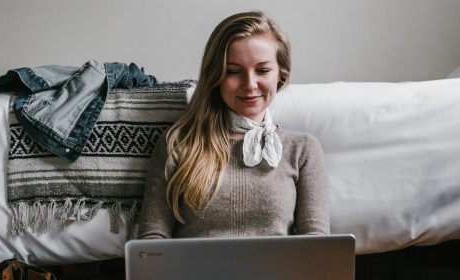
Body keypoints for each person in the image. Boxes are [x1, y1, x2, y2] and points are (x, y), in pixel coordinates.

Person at [137, 10, 329, 239]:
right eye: (233, 71)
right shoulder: (178, 144)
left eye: (263, 70)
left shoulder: (303, 149)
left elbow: (316, 244)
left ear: (281, 74)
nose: (250, 84)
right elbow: (152, 240)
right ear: (215, 77)